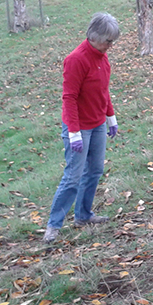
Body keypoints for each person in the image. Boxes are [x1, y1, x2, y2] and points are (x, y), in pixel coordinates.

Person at [43, 12, 120, 243]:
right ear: (94, 37)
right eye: (108, 41)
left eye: (112, 41)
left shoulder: (102, 57)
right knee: (73, 177)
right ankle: (53, 225)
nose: (111, 45)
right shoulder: (76, 59)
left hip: (97, 124)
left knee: (95, 170)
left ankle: (83, 215)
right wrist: (74, 133)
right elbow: (69, 98)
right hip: (79, 128)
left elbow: (102, 91)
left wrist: (110, 117)